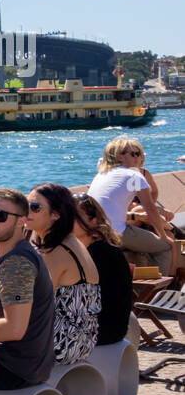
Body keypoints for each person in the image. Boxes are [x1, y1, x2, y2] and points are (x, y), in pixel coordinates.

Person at [0, 188, 55, 390]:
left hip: (10, 369)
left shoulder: (16, 263)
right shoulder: (7, 255)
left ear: (22, 221)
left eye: (1, 216)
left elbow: (13, 328)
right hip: (24, 365)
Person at [25, 183, 101, 365]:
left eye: (34, 207)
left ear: (56, 214)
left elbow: (32, 304)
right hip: (83, 339)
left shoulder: (55, 252)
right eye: (24, 205)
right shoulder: (71, 242)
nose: (26, 211)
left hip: (64, 342)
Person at [89, 137, 173, 275]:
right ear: (119, 156)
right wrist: (162, 235)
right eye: (134, 154)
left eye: (139, 153)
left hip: (94, 229)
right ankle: (158, 289)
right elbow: (150, 208)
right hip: (115, 232)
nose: (138, 157)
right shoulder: (134, 175)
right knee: (164, 247)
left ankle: (143, 285)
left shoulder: (102, 175)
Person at [73, 193, 134, 346]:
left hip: (102, 332)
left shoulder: (99, 253)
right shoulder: (96, 248)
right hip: (110, 328)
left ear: (93, 220)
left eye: (74, 217)